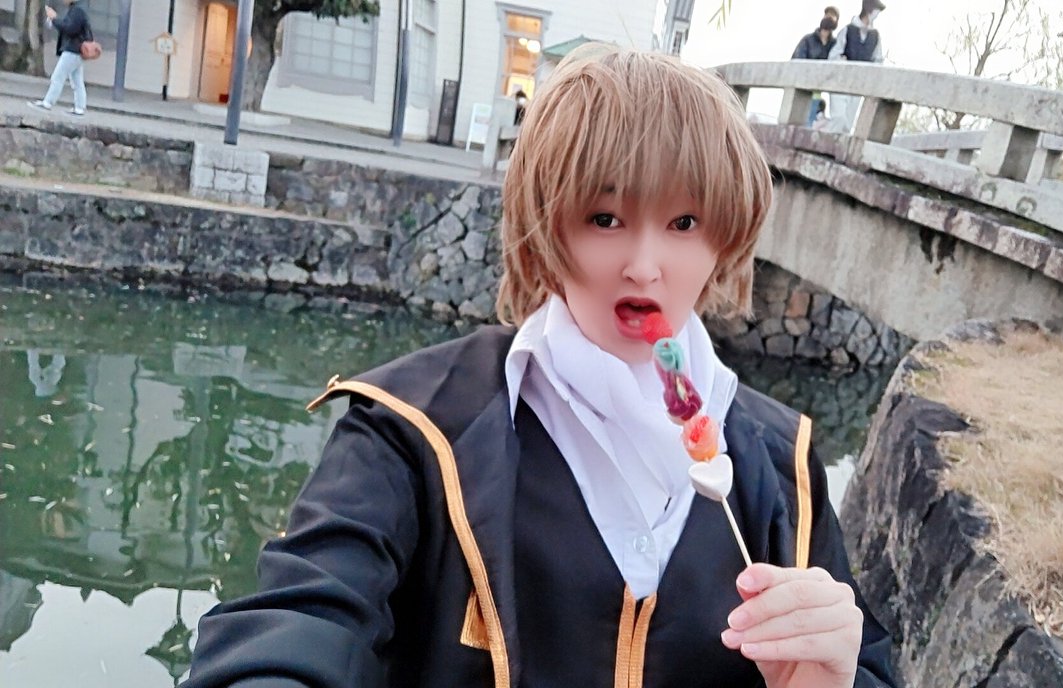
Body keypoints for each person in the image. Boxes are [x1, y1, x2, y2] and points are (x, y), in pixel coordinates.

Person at [183, 46, 896, 688]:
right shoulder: (410, 429)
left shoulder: (784, 468)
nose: (645, 267)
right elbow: (303, 617)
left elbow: (867, 666)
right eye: (605, 219)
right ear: (546, 226)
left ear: (725, 238)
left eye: (684, 223)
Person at [826, 0, 885, 132]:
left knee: (847, 124)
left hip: (859, 85)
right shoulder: (848, 30)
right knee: (838, 119)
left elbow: (878, 61)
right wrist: (844, 63)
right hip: (841, 82)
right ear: (869, 10)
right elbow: (833, 56)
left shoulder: (875, 36)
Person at [28, 0, 91, 116]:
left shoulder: (77, 10)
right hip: (77, 51)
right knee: (77, 81)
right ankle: (80, 108)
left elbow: (70, 29)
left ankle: (48, 102)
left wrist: (54, 19)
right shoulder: (78, 9)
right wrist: (55, 19)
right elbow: (70, 27)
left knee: (58, 77)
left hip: (72, 50)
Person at [791, 16, 839, 125]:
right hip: (804, 83)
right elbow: (798, 59)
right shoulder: (808, 40)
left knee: (812, 114)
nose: (826, 33)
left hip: (819, 85)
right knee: (801, 116)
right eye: (825, 30)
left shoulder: (833, 44)